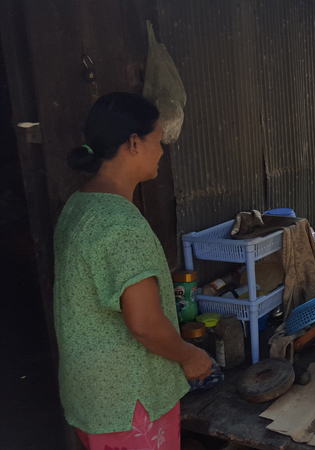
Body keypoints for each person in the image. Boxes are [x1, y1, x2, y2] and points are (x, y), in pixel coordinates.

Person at [53, 92, 212, 450]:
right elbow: (143, 323)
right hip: (129, 398)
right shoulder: (120, 224)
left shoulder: (80, 206)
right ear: (134, 143)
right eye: (158, 141)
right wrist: (191, 356)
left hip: (93, 396)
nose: (161, 151)